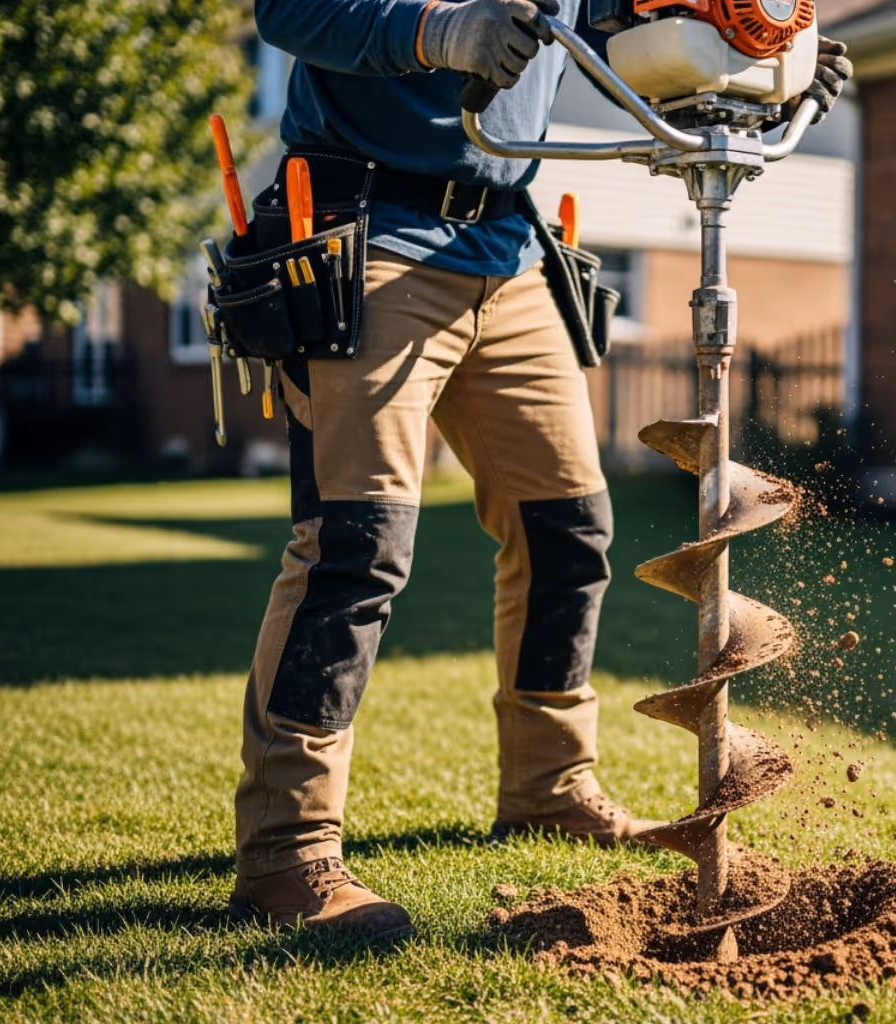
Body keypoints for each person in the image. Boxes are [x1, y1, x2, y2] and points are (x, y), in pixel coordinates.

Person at [231, 0, 852, 942]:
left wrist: (761, 72)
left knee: (568, 531)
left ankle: (549, 788)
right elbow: (288, 11)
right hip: (369, 233)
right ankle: (288, 851)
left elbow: (619, 46)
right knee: (354, 547)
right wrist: (443, 31)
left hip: (510, 246)